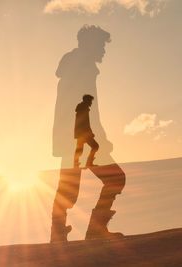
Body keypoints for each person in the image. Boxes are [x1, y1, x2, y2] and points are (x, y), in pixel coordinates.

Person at [50, 25, 126, 242]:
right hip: (80, 139)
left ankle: (58, 234)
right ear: (89, 44)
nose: (103, 50)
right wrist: (98, 138)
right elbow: (85, 109)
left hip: (71, 139)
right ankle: (95, 231)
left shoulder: (75, 67)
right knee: (116, 179)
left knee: (68, 190)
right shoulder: (82, 68)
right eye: (101, 45)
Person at [73, 94, 99, 168]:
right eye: (90, 101)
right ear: (87, 101)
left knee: (79, 149)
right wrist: (89, 133)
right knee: (95, 146)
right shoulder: (83, 109)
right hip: (83, 133)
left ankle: (76, 163)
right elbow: (85, 123)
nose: (91, 103)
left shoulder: (81, 108)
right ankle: (88, 163)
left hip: (80, 133)